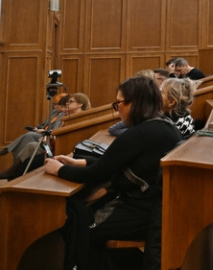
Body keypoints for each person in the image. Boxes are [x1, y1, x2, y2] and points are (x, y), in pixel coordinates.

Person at [45, 77, 182, 270]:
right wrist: (80, 162)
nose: (117, 109)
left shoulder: (139, 134)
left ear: (134, 103)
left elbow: (95, 175)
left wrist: (58, 169)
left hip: (142, 212)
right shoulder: (164, 126)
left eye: (119, 103)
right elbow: (114, 163)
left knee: (81, 228)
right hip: (157, 209)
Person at [0, 93, 91, 179]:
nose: (67, 104)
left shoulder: (82, 119)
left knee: (30, 147)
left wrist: (49, 135)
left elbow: (65, 136)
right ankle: (13, 176)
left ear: (80, 104)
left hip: (60, 150)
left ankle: (13, 176)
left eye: (71, 101)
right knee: (29, 142)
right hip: (52, 144)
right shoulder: (66, 117)